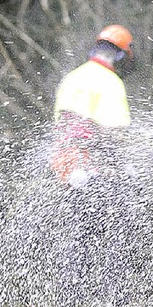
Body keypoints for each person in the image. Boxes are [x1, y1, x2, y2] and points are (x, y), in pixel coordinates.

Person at [51, 24, 134, 187]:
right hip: (90, 167)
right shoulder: (112, 82)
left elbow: (60, 122)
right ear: (120, 57)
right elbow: (117, 131)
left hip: (62, 165)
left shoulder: (72, 76)